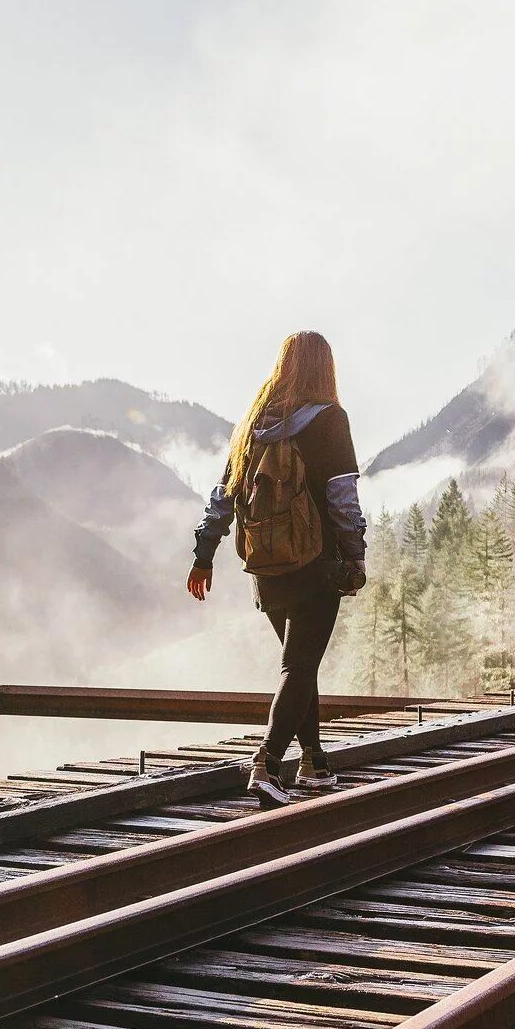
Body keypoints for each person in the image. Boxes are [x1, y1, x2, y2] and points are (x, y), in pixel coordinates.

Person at [190, 330, 367, 808]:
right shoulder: (330, 419)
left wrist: (203, 555)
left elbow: (223, 496)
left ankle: (314, 762)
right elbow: (342, 498)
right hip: (316, 564)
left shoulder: (252, 424)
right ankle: (267, 764)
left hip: (266, 565)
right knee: (299, 664)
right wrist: (356, 553)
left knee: (298, 666)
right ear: (325, 369)